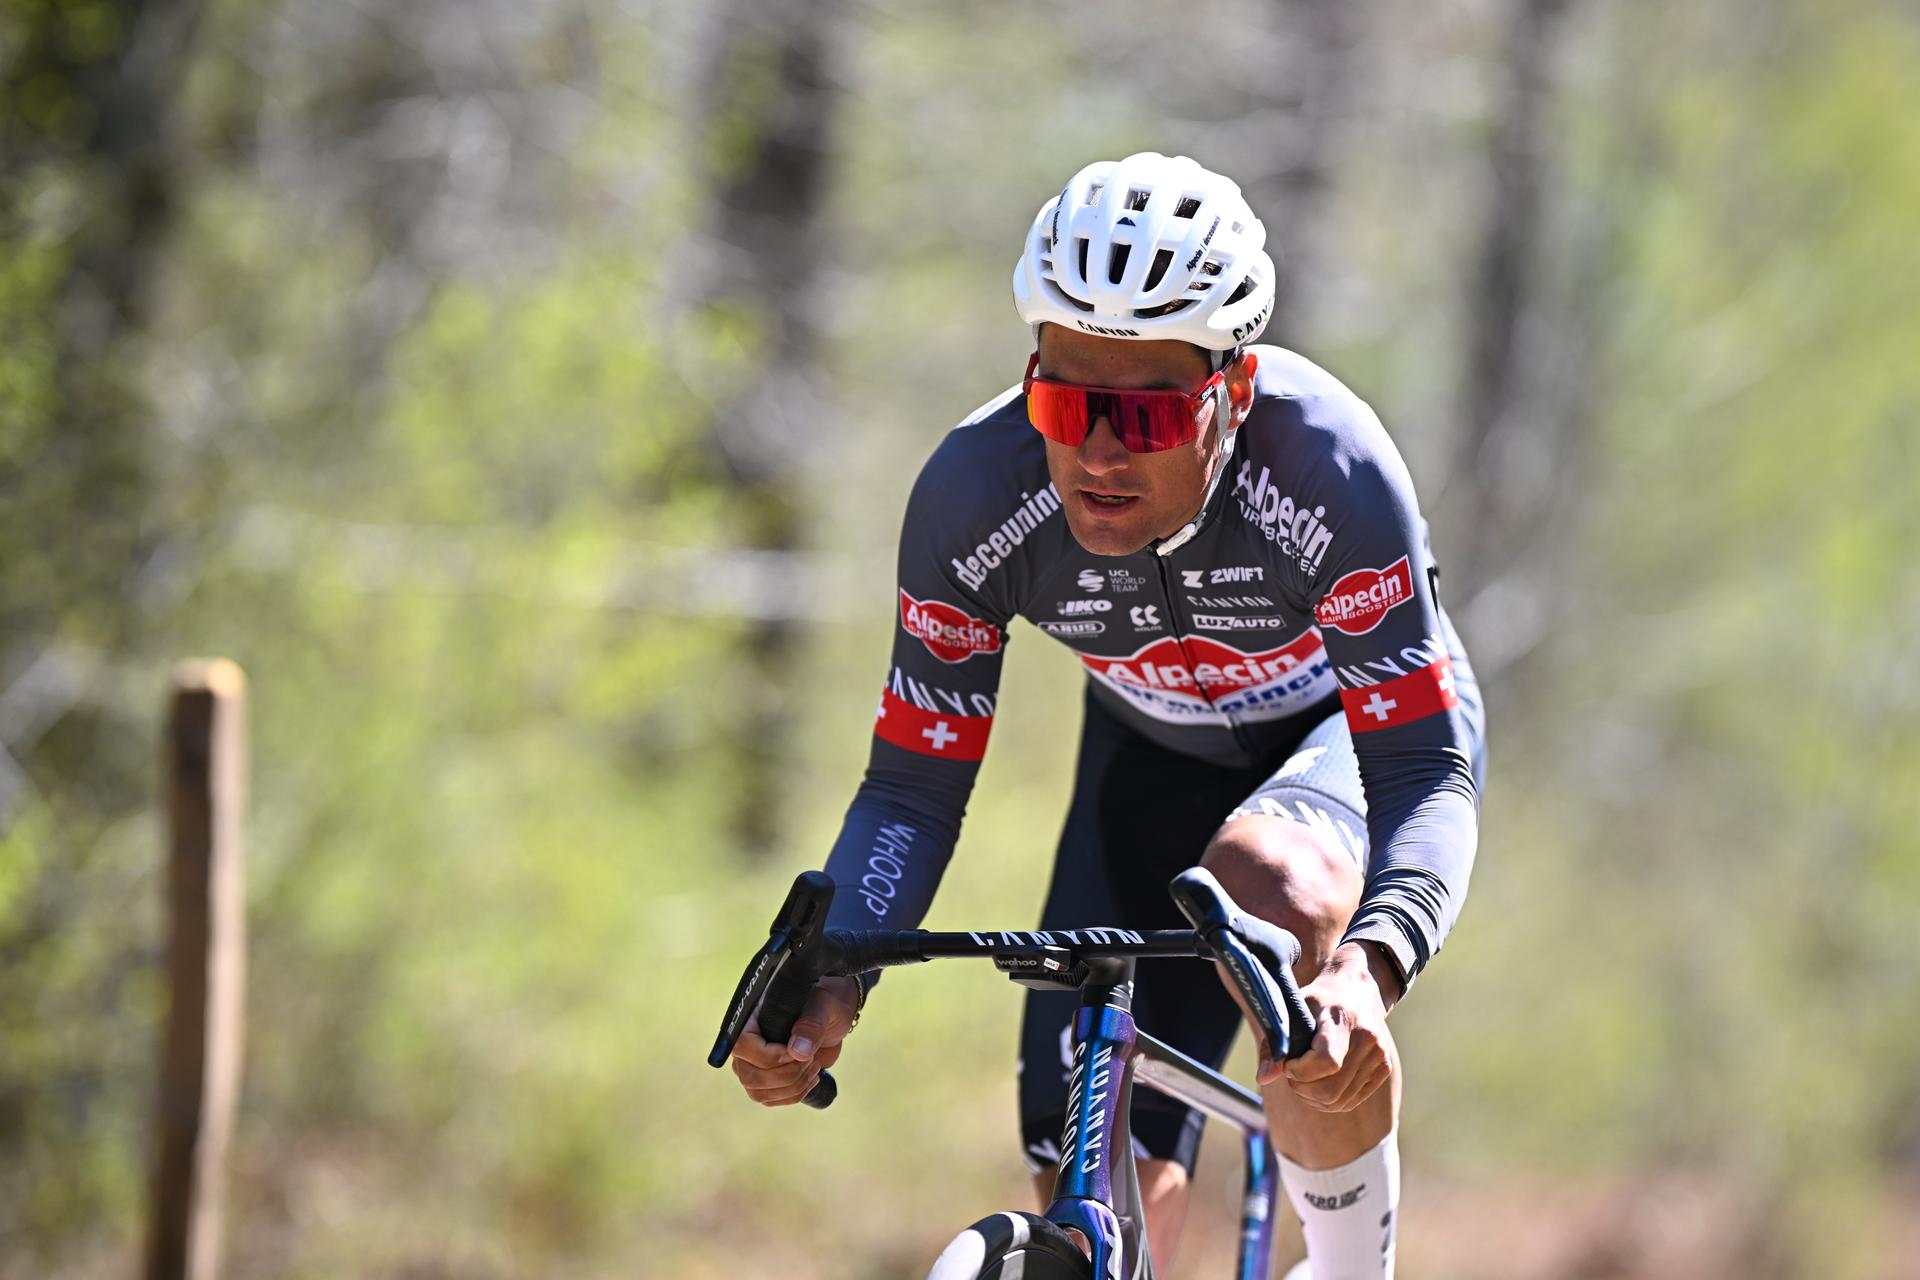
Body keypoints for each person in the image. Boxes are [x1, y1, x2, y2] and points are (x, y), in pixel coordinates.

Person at [729, 152, 1485, 1280]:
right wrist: (830, 969)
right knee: (1097, 1193)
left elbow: (1423, 767)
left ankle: (1342, 1262)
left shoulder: (1327, 467)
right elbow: (911, 785)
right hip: (1147, 757)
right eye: (1066, 402)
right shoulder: (975, 497)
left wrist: (1371, 965)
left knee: (1268, 886)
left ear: (1230, 394)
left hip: (1347, 740)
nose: (1097, 451)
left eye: (1146, 412)